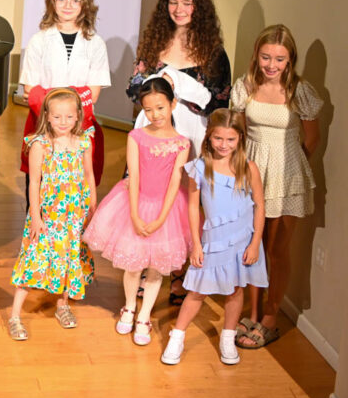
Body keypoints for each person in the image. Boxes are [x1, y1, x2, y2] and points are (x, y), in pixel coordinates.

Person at [127, 0, 229, 304]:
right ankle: (145, 268)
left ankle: (180, 274)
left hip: (191, 135)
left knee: (185, 205)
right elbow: (133, 89)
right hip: (154, 133)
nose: (179, 9)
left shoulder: (213, 52)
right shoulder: (153, 43)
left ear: (199, 7)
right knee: (150, 197)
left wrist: (183, 89)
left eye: (187, 3)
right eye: (173, 2)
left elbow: (220, 103)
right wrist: (159, 83)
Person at [231, 25, 322, 350]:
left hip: (287, 177)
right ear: (257, 55)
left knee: (277, 249)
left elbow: (311, 138)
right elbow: (239, 133)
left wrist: (291, 169)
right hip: (252, 171)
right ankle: (253, 311)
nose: (272, 65)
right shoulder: (245, 85)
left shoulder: (300, 91)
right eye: (266, 56)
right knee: (251, 245)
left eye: (280, 59)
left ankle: (270, 317)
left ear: (290, 60)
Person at [83, 78, 191, 346]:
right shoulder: (136, 137)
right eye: (148, 110)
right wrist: (134, 214)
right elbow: (133, 175)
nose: (155, 115)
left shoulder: (182, 143)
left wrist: (161, 219)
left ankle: (145, 315)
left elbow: (175, 182)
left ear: (173, 104)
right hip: (134, 202)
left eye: (160, 108)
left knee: (156, 268)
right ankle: (130, 306)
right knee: (133, 265)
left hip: (167, 210)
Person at [162, 110, 267, 366]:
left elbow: (260, 206)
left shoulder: (249, 168)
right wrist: (196, 245)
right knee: (197, 291)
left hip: (242, 241)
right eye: (218, 138)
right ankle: (177, 337)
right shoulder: (200, 167)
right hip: (212, 242)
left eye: (230, 139)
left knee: (235, 290)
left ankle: (227, 338)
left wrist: (255, 243)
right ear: (209, 136)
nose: (224, 145)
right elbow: (193, 207)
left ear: (240, 139)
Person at [9, 88, 96, 341]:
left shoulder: (84, 142)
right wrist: (36, 217)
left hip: (74, 215)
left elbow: (88, 175)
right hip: (48, 217)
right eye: (57, 117)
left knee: (69, 258)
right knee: (34, 260)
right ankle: (15, 316)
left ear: (78, 115)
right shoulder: (41, 144)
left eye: (69, 116)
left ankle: (62, 304)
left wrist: (92, 204)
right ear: (47, 116)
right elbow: (34, 183)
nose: (63, 122)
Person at [18, 0, 110, 202]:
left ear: (84, 4)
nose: (68, 6)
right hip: (44, 125)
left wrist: (52, 98)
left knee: (74, 194)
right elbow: (31, 90)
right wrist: (65, 101)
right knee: (40, 192)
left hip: (79, 127)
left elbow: (92, 94)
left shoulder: (95, 43)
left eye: (75, 0)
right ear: (52, 2)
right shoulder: (39, 40)